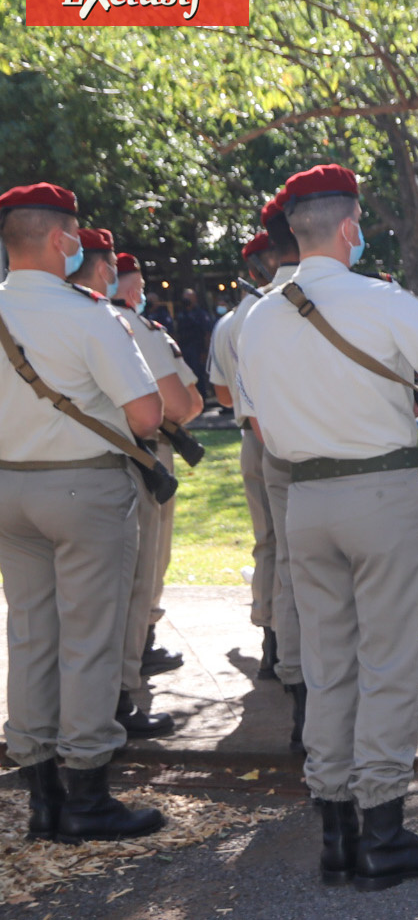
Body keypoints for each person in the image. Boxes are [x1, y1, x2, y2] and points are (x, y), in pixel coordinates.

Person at [238, 163, 418, 890]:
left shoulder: (256, 315)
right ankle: (384, 828)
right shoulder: (380, 299)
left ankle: (335, 831)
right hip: (378, 490)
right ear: (349, 227)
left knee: (327, 662)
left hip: (305, 500)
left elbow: (254, 416)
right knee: (386, 660)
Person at [0, 182, 167, 843]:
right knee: (90, 638)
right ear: (60, 240)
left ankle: (41, 793)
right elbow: (147, 414)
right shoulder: (89, 314)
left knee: (31, 634)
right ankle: (88, 791)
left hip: (10, 486)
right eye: (76, 234)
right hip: (82, 487)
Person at [67, 244, 204, 739]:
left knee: (49, 612)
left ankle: (47, 738)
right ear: (107, 274)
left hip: (43, 474)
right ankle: (121, 695)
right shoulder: (113, 324)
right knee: (135, 579)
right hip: (131, 462)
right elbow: (171, 408)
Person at [252, 191, 311, 748]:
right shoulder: (360, 298)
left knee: (292, 570)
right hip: (339, 464)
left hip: (277, 453)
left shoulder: (254, 314)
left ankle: (301, 705)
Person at [211, 231, 281, 682]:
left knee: (268, 542)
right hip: (294, 436)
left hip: (252, 441)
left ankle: (272, 641)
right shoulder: (290, 308)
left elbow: (220, 392)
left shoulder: (232, 321)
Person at [171, 286, 214, 401]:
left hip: (198, 349)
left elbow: (207, 333)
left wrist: (205, 351)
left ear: (194, 299)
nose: (186, 300)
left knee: (198, 375)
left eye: (189, 298)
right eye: (185, 298)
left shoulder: (200, 314)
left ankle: (202, 399)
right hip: (184, 349)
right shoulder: (180, 314)